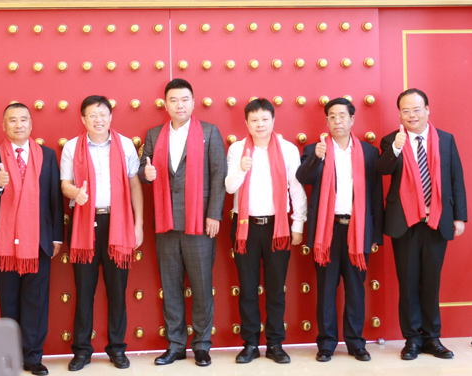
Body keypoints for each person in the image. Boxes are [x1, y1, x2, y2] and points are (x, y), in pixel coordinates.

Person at [139, 78, 227, 367]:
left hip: (199, 222)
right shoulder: (154, 134)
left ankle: (201, 345)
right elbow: (142, 170)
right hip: (165, 222)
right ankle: (176, 345)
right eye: (174, 100)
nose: (180, 105)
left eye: (185, 99)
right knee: (171, 287)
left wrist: (214, 214)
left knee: (202, 287)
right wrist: (146, 175)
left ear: (193, 102)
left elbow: (219, 175)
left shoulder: (209, 132)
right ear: (165, 104)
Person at [377, 88, 467, 361]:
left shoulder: (446, 140)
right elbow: (382, 169)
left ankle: (432, 338)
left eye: (416, 109)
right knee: (408, 284)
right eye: (405, 111)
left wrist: (459, 216)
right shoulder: (391, 140)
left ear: (427, 110)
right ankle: (412, 340)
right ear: (399, 114)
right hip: (404, 222)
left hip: (437, 221)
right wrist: (396, 148)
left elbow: (456, 177)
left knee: (431, 283)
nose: (411, 115)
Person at [0, 102, 64, 376]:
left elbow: (55, 198)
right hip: (3, 244)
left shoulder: (47, 155)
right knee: (9, 301)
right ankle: (10, 356)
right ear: (3, 125)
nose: (18, 124)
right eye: (12, 120)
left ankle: (33, 357)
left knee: (36, 302)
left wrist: (57, 237)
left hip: (39, 240)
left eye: (23, 119)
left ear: (30, 124)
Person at [61, 95, 144, 371]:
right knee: (84, 290)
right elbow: (65, 185)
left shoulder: (126, 145)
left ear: (110, 117)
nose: (98, 120)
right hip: (84, 223)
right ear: (83, 119)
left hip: (118, 223)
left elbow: (134, 185)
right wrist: (77, 194)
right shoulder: (72, 147)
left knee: (117, 290)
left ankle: (117, 349)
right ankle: (82, 351)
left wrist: (138, 224)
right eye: (92, 115)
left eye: (103, 114)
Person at [296, 97, 383, 362]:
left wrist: (374, 235)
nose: (337, 121)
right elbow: (303, 178)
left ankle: (356, 343)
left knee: (356, 289)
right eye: (332, 116)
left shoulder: (369, 152)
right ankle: (326, 344)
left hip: (358, 230)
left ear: (352, 119)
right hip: (327, 231)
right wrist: (317, 158)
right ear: (327, 121)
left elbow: (376, 194)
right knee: (326, 289)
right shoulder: (315, 149)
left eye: (342, 116)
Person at [224, 98, 307, 364]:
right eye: (254, 120)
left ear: (273, 120)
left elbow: (297, 189)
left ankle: (275, 343)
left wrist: (298, 224)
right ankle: (250, 344)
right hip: (245, 227)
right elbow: (229, 187)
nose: (260, 125)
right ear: (246, 123)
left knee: (275, 289)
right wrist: (241, 170)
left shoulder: (288, 149)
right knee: (248, 288)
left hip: (277, 227)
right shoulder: (237, 149)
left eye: (265, 119)